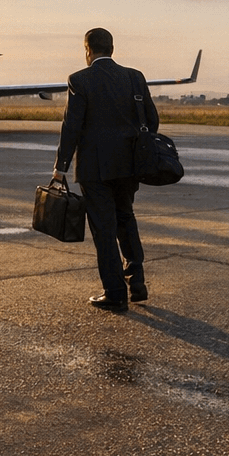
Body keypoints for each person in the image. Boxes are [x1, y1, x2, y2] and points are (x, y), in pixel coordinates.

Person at [52, 27, 159, 313]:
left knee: (104, 230)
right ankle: (137, 283)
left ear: (88, 49)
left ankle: (114, 293)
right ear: (112, 47)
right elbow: (152, 119)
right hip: (129, 166)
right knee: (126, 220)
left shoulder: (79, 80)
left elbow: (71, 126)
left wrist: (60, 167)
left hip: (95, 169)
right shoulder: (134, 77)